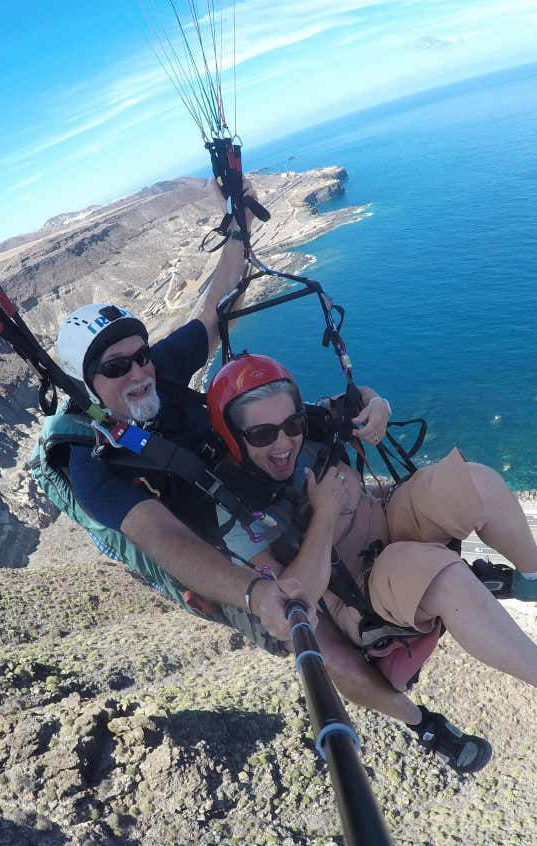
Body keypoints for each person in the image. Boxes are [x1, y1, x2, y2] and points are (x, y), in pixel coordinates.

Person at [52, 185, 494, 772]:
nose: (138, 371)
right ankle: (425, 726)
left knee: (360, 513)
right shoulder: (90, 463)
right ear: (88, 383)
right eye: (117, 367)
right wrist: (255, 595)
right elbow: (162, 540)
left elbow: (213, 312)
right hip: (222, 556)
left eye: (140, 355)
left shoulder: (155, 373)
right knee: (312, 635)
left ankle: (444, 585)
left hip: (257, 490)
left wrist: (236, 222)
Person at [205, 353, 537, 751]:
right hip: (354, 583)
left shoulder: (308, 426)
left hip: (380, 514)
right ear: (234, 437)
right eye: (263, 435)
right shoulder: (240, 517)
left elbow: (356, 400)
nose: (284, 442)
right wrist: (323, 513)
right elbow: (298, 601)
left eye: (291, 425)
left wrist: (379, 406)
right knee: (442, 575)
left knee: (476, 482)